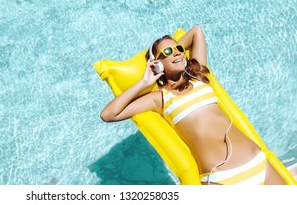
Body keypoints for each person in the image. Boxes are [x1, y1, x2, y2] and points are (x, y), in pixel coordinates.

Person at [100, 25, 286, 185]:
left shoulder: (199, 77)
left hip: (258, 163)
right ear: (157, 63)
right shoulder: (160, 99)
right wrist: (144, 82)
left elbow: (196, 31)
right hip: (222, 179)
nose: (177, 53)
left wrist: (173, 51)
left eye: (179, 48)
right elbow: (108, 114)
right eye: (167, 52)